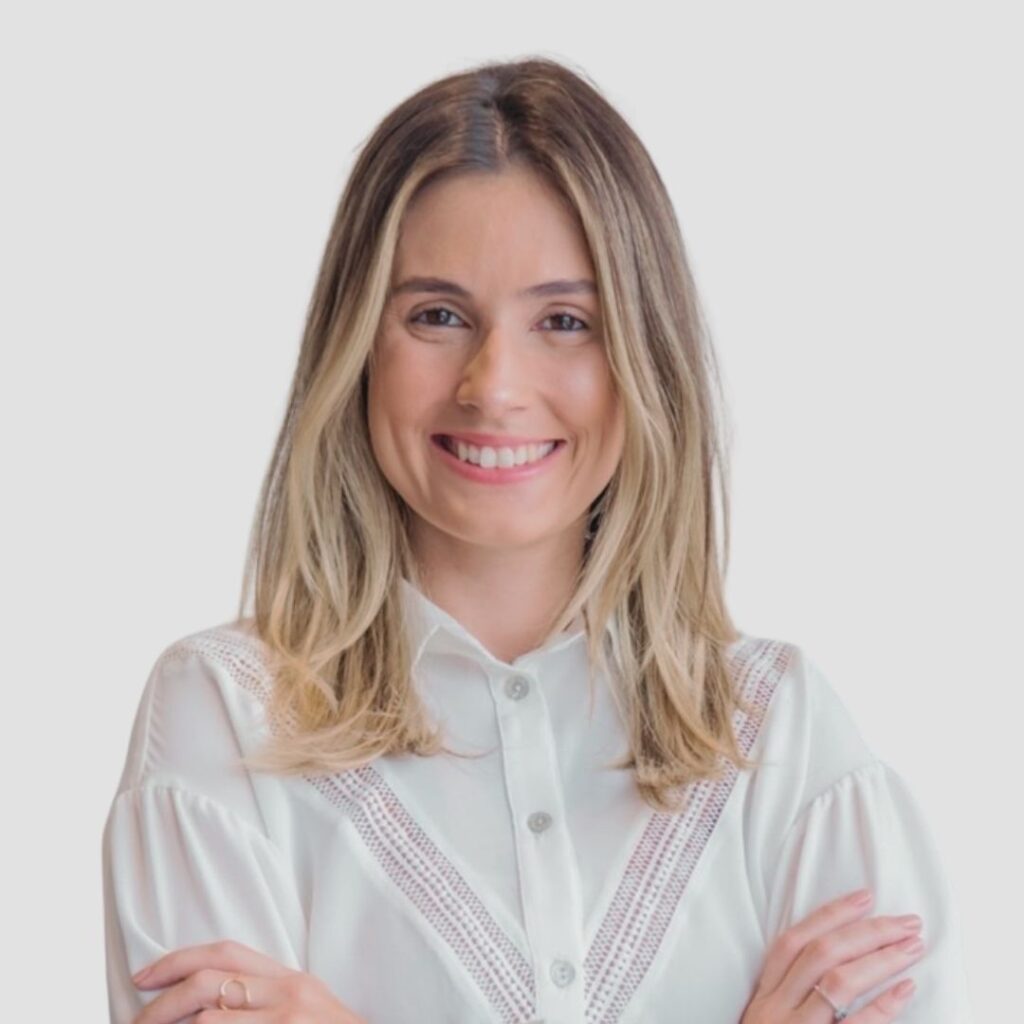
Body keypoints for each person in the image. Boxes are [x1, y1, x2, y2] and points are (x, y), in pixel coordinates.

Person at [102, 56, 973, 1023]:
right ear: (355, 347)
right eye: (437, 316)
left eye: (565, 320)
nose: (494, 385)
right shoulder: (227, 716)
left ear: (645, 355)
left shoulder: (779, 732)